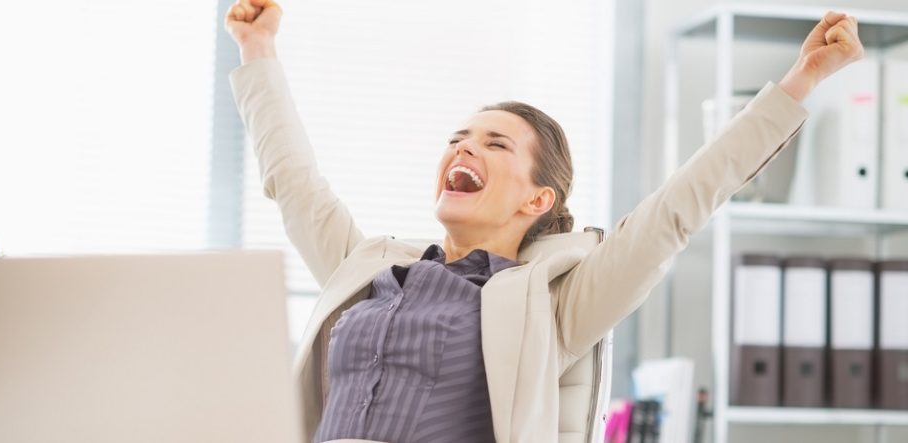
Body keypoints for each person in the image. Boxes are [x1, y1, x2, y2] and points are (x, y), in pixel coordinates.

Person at [224, 2, 864, 442]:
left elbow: (679, 206)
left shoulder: (551, 304)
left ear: (537, 199)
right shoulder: (368, 269)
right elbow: (294, 184)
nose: (463, 149)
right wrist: (258, 48)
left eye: (495, 144)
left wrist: (801, 81)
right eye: (457, 139)